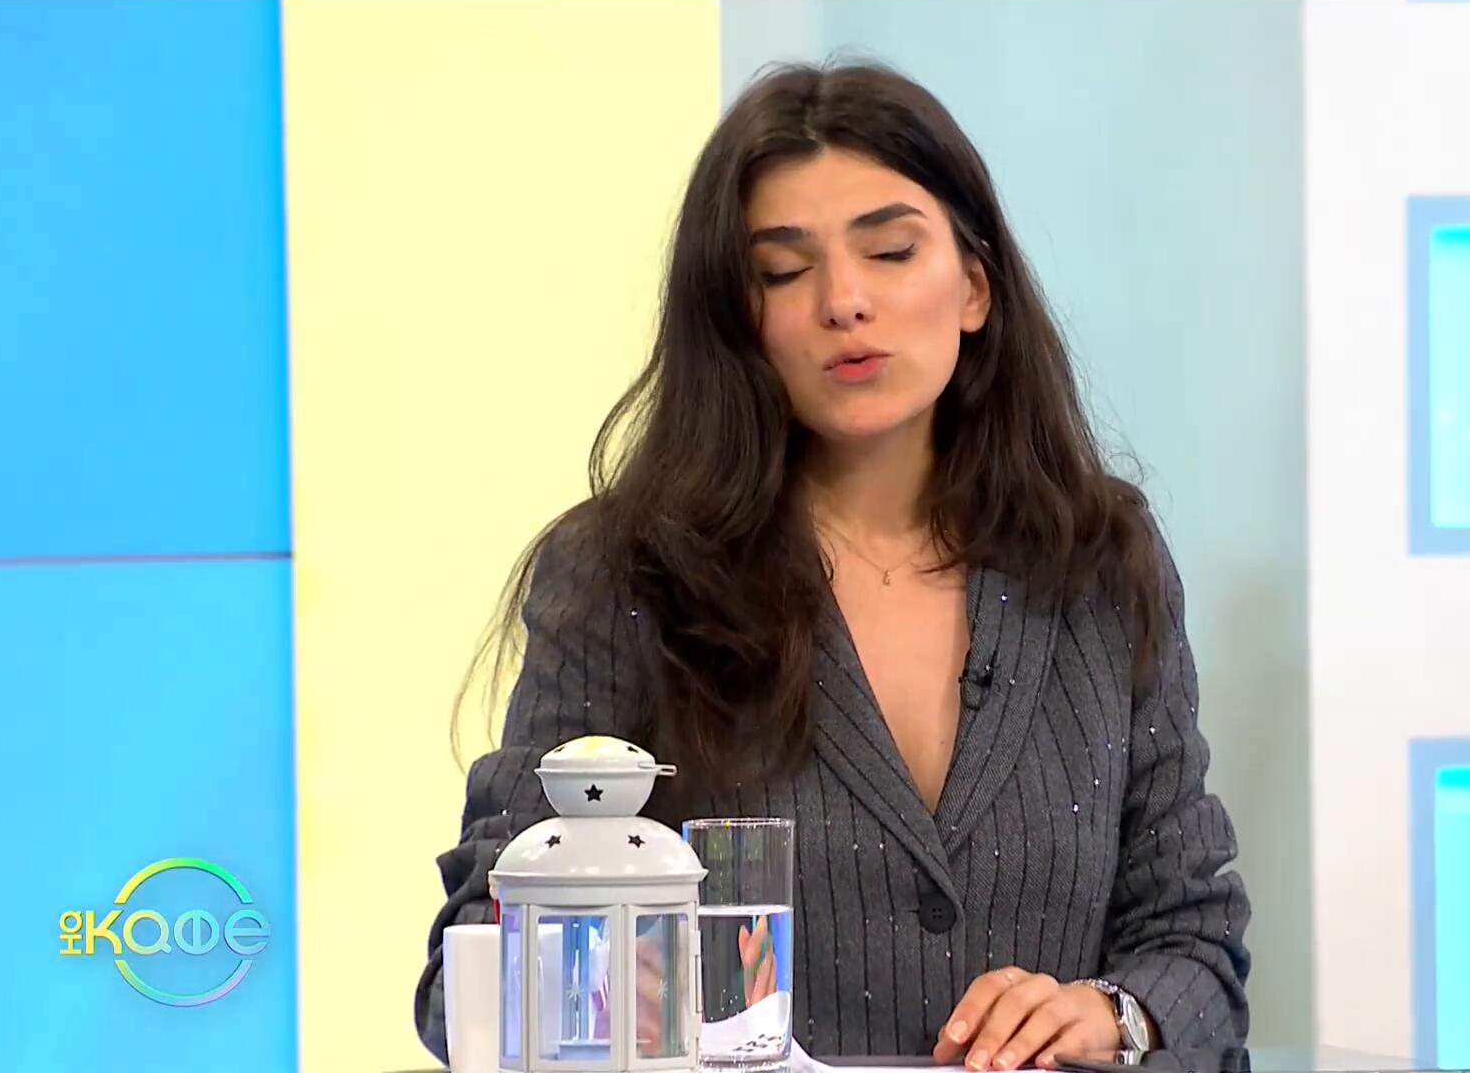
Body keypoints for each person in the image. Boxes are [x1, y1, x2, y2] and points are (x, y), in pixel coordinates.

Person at [414, 58, 1252, 1070]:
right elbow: (470, 972)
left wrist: (1115, 1016)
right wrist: (635, 1001)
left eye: (891, 251)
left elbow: (1194, 943)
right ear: (737, 318)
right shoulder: (625, 574)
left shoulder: (1099, 558)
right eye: (783, 271)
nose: (844, 301)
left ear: (974, 287)